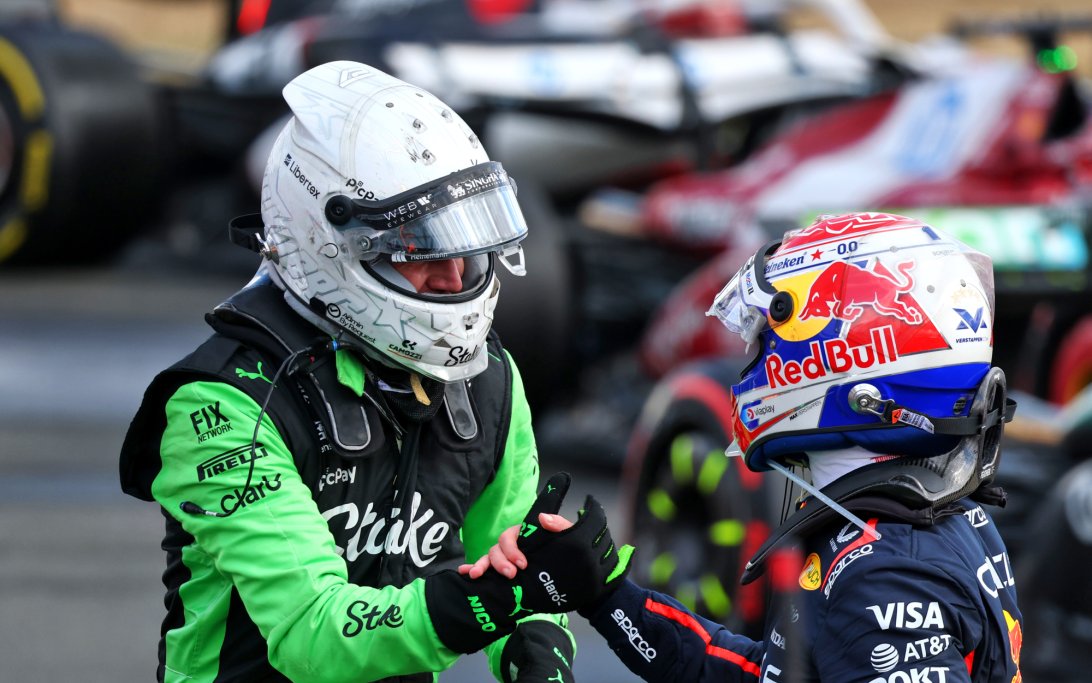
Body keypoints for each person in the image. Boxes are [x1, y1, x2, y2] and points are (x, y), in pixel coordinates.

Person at [119, 61, 578, 683]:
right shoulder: (220, 406)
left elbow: (511, 561)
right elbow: (314, 635)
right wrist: (479, 608)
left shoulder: (489, 377)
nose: (455, 278)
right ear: (325, 242)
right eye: (421, 248)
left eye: (467, 246)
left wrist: (539, 638)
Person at [461, 212, 1025, 682]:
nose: (751, 363)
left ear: (850, 359)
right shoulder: (933, 518)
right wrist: (607, 593)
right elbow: (769, 674)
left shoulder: (885, 575)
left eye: (764, 338)